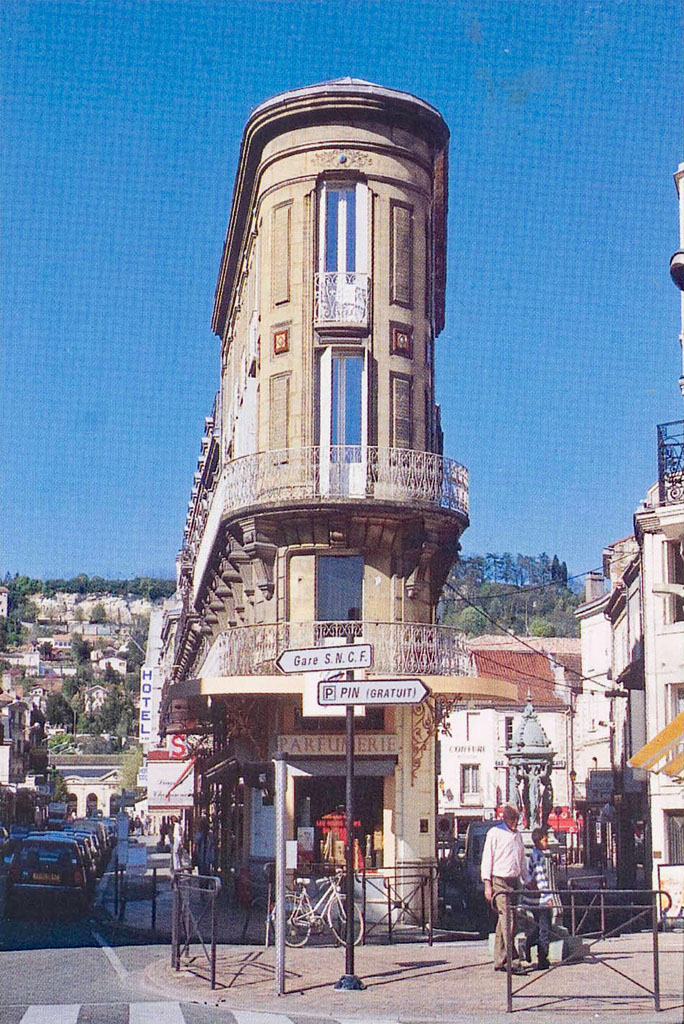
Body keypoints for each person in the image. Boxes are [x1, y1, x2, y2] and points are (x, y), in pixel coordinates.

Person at [481, 804, 530, 973]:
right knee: (508, 920)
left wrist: (526, 879)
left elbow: (521, 860)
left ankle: (499, 959)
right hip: (499, 880)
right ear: (505, 818)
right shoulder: (495, 833)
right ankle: (512, 960)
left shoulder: (518, 836)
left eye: (517, 819)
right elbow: (487, 859)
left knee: (505, 920)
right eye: (512, 819)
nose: (515, 822)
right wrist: (487, 884)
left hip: (513, 881)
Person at [524, 827, 553, 970]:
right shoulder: (538, 858)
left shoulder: (535, 855)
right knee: (545, 929)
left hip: (533, 900)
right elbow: (541, 880)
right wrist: (548, 898)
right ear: (538, 841)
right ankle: (542, 958)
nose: (547, 843)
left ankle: (528, 943)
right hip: (541, 900)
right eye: (545, 840)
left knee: (538, 926)